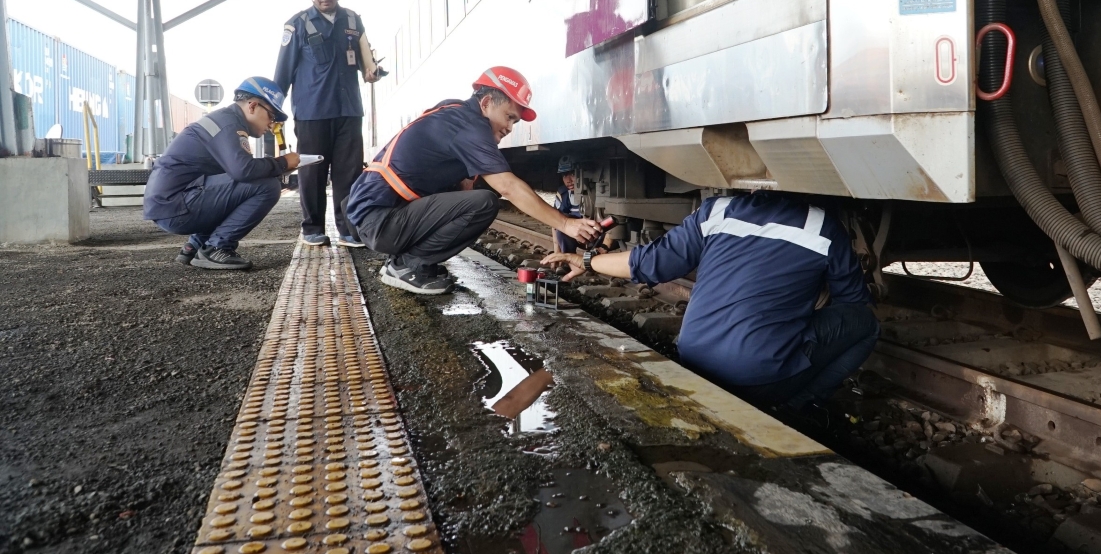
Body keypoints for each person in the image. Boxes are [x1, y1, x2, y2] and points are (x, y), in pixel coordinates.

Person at [541, 191, 879, 413]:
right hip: (760, 378)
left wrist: (585, 261)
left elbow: (647, 263)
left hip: (694, 360)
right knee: (867, 324)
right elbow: (852, 303)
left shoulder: (716, 211)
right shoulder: (823, 227)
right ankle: (802, 407)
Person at [344, 67, 601, 294]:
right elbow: (508, 187)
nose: (510, 127)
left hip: (375, 215)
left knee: (476, 193)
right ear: (487, 102)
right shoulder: (469, 125)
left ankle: (407, 260)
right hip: (378, 220)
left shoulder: (455, 113)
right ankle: (407, 266)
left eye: (515, 121)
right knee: (484, 203)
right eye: (509, 116)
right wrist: (566, 223)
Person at [274, 0, 380, 248]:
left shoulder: (353, 22)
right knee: (312, 172)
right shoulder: (296, 24)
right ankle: (312, 228)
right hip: (312, 113)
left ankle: (348, 229)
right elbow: (282, 73)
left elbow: (364, 61)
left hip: (349, 111)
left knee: (349, 172)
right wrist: (274, 111)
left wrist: (373, 72)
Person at [143, 77, 299, 270]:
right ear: (252, 106)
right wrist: (283, 162)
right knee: (267, 187)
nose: (272, 124)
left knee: (250, 184)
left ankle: (195, 245)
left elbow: (232, 180)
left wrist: (276, 168)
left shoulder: (225, 121)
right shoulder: (229, 125)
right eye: (271, 116)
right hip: (176, 207)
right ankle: (217, 248)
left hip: (171, 204)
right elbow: (244, 170)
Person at [552, 155, 583, 255]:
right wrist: (557, 251)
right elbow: (555, 222)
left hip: (595, 236)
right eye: (565, 175)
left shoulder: (594, 193)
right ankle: (568, 260)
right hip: (576, 234)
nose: (568, 180)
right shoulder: (563, 194)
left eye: (573, 174)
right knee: (561, 227)